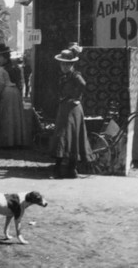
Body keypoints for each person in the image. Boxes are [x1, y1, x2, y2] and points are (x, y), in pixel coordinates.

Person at [50, 44, 95, 179]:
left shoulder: (75, 75)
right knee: (64, 136)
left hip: (72, 109)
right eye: (62, 64)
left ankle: (67, 169)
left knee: (69, 136)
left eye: (67, 64)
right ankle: (67, 169)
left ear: (72, 65)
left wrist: (76, 97)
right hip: (65, 108)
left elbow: (83, 85)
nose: (64, 67)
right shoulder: (64, 76)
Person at [0, 44, 29, 148]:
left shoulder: (1, 68)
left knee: (6, 116)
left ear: (2, 56)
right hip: (15, 92)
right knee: (15, 116)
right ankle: (15, 139)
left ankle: (7, 140)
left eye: (0, 56)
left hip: (6, 93)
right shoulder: (15, 66)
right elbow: (20, 83)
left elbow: (1, 83)